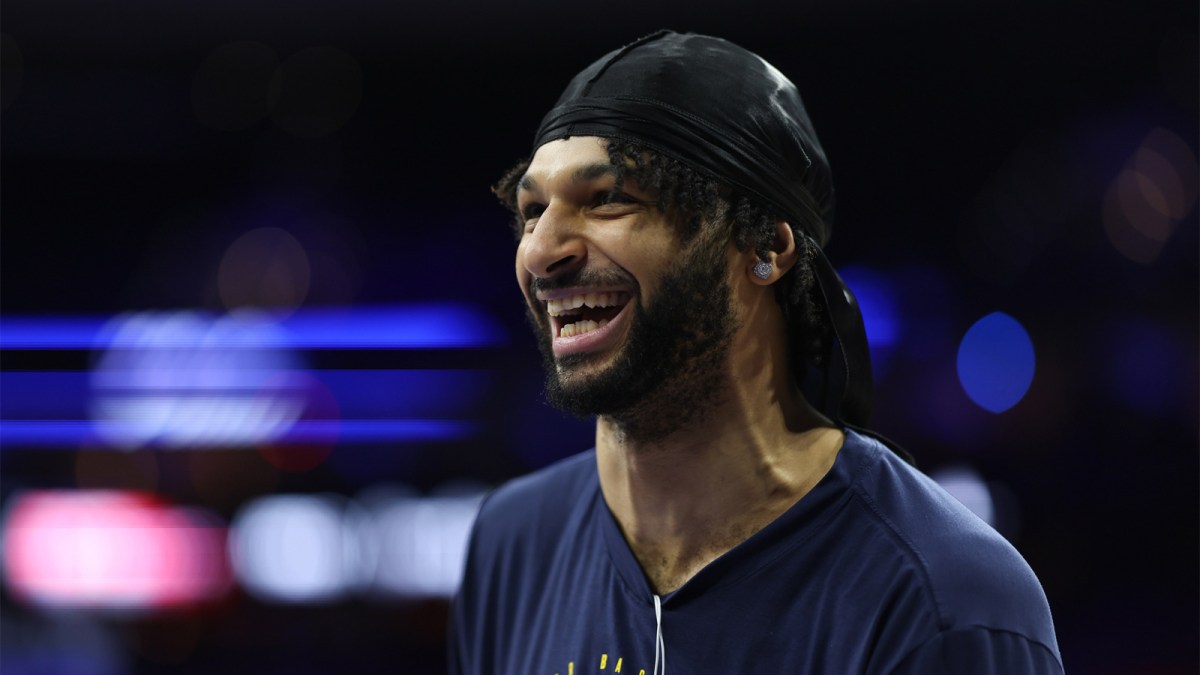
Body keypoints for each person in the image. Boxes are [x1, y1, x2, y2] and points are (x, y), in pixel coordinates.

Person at [450, 30, 1063, 674]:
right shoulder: (511, 543)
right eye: (533, 210)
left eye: (608, 199)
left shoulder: (942, 600)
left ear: (765, 247)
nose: (541, 252)